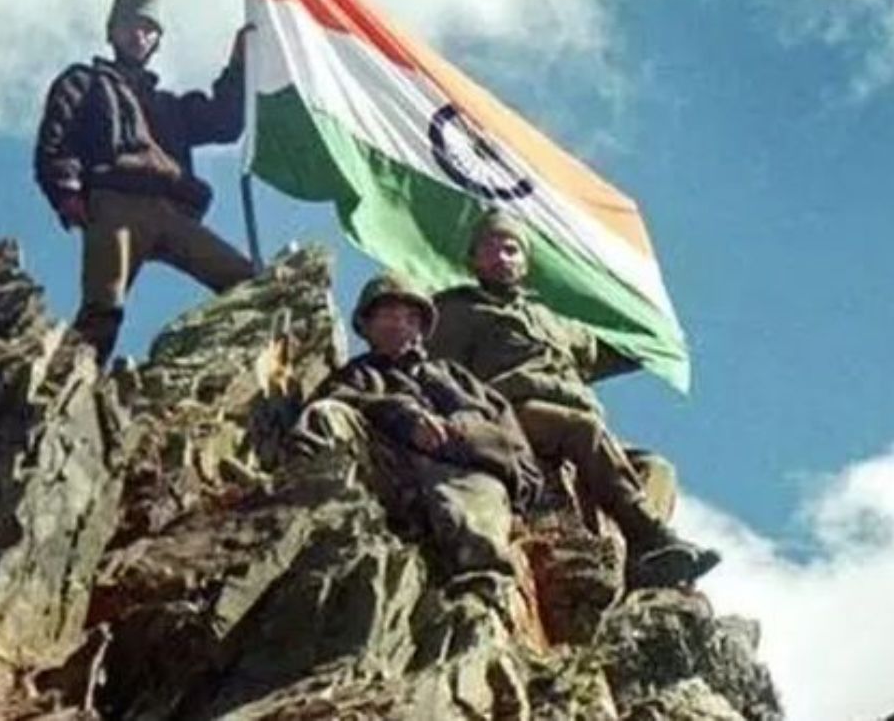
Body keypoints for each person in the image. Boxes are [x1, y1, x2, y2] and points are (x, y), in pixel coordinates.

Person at [428, 209, 720, 588]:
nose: (502, 257)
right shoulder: (455, 311)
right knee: (582, 430)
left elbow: (608, 353)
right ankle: (650, 537)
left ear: (525, 262)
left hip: (569, 417)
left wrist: (659, 337)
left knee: (656, 468)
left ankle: (642, 565)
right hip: (508, 415)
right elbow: (433, 369)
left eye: (511, 250)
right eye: (491, 249)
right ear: (473, 260)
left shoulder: (553, 320)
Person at [34, 0, 254, 363]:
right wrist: (66, 191)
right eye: (130, 25)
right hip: (113, 202)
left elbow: (224, 123)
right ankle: (65, 387)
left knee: (249, 283)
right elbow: (57, 139)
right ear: (112, 31)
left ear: (157, 40)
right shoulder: (84, 82)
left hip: (172, 210)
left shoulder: (169, 106)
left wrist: (239, 65)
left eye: (149, 29)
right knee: (104, 307)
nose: (139, 35)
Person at [302, 274, 543, 573]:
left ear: (421, 329)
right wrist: (403, 416)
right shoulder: (358, 375)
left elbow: (515, 446)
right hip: (393, 468)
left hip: (465, 474)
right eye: (388, 315)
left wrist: (470, 439)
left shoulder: (456, 377)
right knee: (325, 416)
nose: (399, 324)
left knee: (477, 547)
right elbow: (338, 402)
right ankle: (311, 514)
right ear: (367, 326)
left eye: (410, 318)